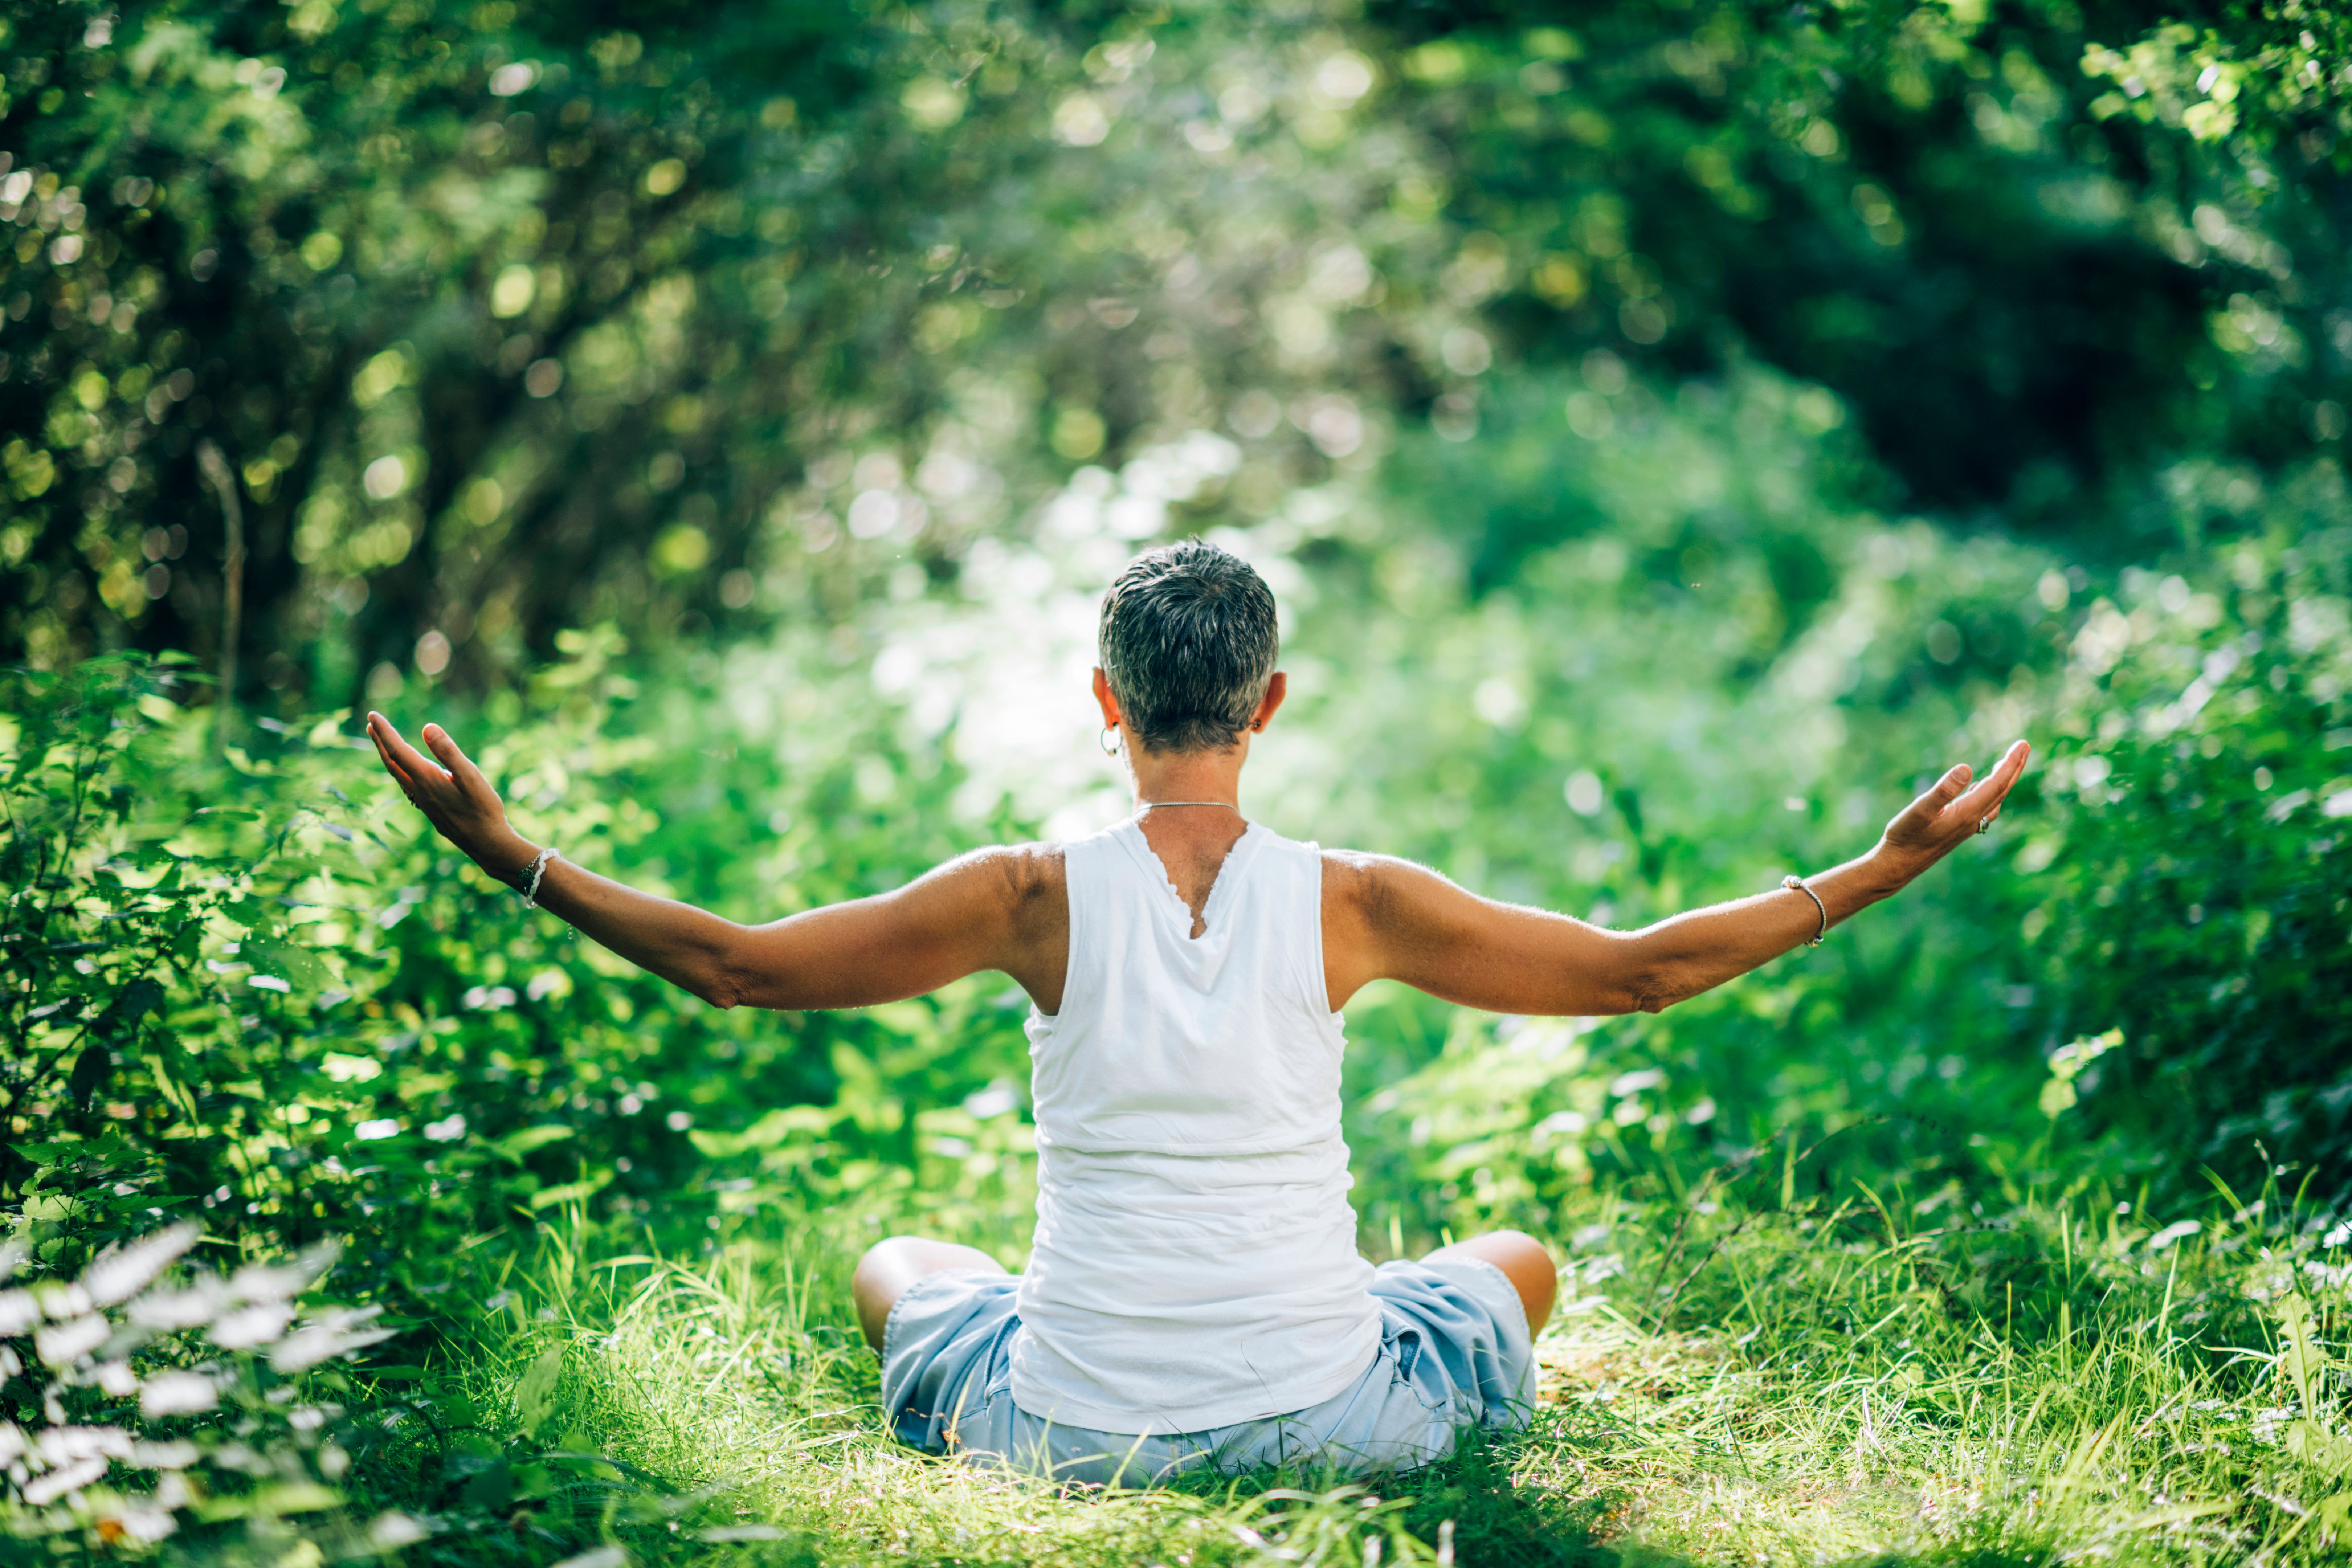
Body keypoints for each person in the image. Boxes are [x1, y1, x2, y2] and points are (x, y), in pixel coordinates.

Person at [368, 539, 2028, 1485]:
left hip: (1064, 1428)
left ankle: (1195, 1327)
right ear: (1271, 704)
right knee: (1517, 1264)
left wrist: (517, 857)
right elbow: (1634, 972)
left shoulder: (1024, 894)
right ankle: (1333, 1316)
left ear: (1105, 703)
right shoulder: (1356, 900)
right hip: (1337, 1419)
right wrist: (1875, 870)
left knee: (898, 1267)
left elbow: (739, 965)